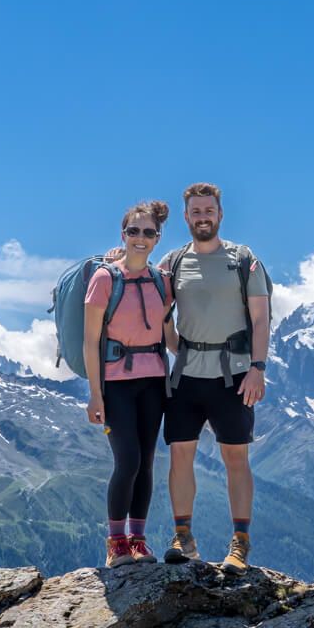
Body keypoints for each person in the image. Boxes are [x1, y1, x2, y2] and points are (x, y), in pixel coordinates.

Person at [160, 182, 269, 575]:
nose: (202, 217)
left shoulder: (243, 259)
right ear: (186, 217)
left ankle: (240, 543)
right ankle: (183, 538)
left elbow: (260, 318)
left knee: (236, 458)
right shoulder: (172, 263)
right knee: (180, 455)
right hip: (186, 374)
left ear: (220, 215)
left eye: (208, 211)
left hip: (235, 375)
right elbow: (153, 305)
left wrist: (258, 368)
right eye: (195, 212)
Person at [84, 200, 177, 568]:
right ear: (123, 235)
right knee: (128, 461)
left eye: (148, 232)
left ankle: (138, 541)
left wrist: (211, 355)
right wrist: (95, 393)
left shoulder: (161, 281)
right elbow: (90, 340)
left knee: (148, 462)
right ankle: (115, 543)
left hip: (154, 381)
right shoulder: (105, 278)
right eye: (134, 231)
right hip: (117, 384)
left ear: (157, 239)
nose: (140, 238)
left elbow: (169, 336)